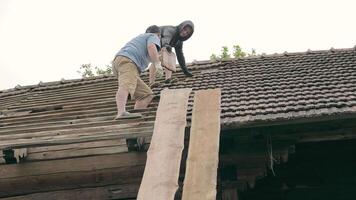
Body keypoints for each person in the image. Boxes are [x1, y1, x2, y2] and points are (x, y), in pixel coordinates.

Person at [112, 25, 163, 119]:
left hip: (123, 61)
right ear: (159, 35)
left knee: (146, 94)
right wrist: (157, 63)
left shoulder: (141, 38)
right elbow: (151, 46)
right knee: (126, 84)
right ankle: (121, 112)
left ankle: (134, 118)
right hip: (128, 61)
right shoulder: (153, 36)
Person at [146, 20, 194, 87]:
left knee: (170, 55)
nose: (184, 32)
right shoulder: (171, 30)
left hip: (161, 44)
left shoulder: (179, 42)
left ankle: (168, 79)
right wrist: (166, 45)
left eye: (187, 32)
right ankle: (151, 82)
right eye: (184, 29)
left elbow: (180, 56)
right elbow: (166, 37)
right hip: (151, 41)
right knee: (158, 57)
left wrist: (185, 70)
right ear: (181, 27)